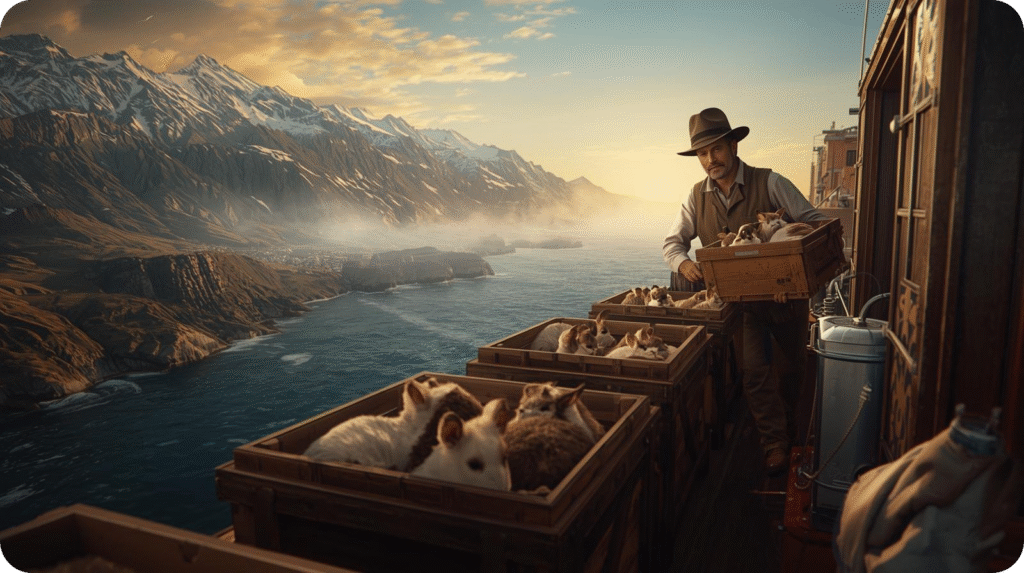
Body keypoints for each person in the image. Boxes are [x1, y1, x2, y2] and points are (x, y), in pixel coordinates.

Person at [663, 107, 829, 476]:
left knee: (791, 372)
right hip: (741, 306)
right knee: (754, 371)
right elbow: (672, 244)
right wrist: (685, 265)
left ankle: (790, 433)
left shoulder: (770, 182)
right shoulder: (695, 197)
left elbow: (817, 223)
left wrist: (793, 253)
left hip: (787, 299)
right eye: (703, 154)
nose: (710, 160)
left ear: (734, 146)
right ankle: (775, 445)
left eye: (717, 149)